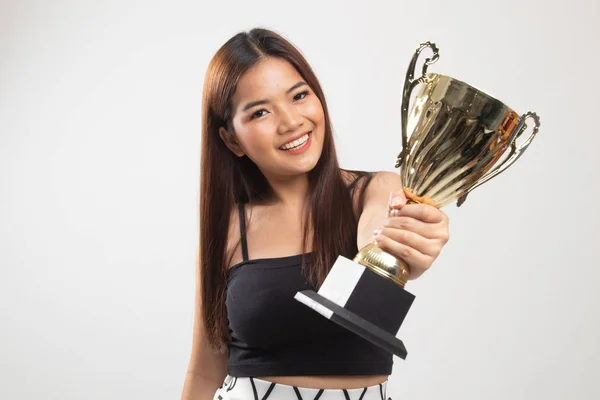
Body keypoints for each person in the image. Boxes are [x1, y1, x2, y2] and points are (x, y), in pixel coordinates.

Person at [181, 28, 450, 400]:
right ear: (231, 140)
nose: (290, 121)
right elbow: (203, 371)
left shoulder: (376, 191)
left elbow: (381, 238)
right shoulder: (227, 230)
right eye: (260, 111)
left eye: (299, 96)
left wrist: (404, 246)